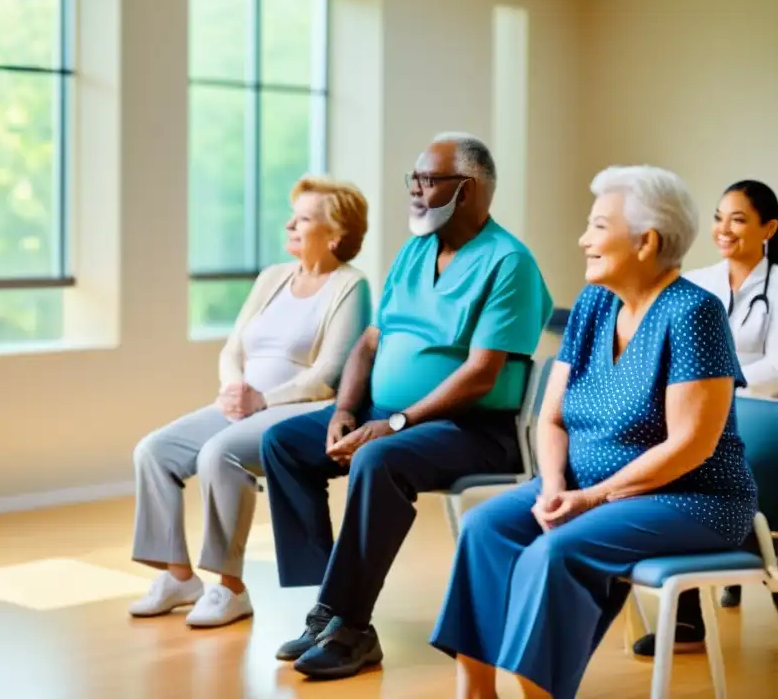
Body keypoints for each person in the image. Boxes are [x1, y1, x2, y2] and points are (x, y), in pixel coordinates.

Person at [429, 165, 759, 699]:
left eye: (598, 226)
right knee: (485, 528)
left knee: (554, 551)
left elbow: (690, 445)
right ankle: (477, 693)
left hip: (690, 498)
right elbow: (552, 416)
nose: (584, 239)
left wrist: (593, 497)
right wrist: (557, 486)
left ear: (646, 241)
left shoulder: (693, 312)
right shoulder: (594, 303)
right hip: (583, 487)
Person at [260, 132, 553, 680]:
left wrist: (393, 423)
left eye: (427, 181)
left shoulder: (508, 263)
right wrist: (348, 409)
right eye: (412, 181)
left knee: (380, 459)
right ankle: (329, 606)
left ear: (465, 191)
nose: (414, 191)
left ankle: (352, 627)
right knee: (283, 444)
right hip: (385, 416)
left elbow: (480, 373)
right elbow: (370, 341)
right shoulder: (415, 251)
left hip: (473, 428)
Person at [128, 176, 371, 628]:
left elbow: (329, 375)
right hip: (243, 404)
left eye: (303, 219)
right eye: (292, 215)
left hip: (296, 409)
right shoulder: (272, 278)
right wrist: (234, 389)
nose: (289, 224)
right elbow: (232, 349)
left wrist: (262, 399)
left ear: (335, 234)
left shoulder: (351, 287)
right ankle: (179, 578)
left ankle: (229, 588)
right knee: (153, 451)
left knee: (220, 454)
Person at [633, 178, 778, 657]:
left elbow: (776, 368)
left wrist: (713, 385)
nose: (723, 229)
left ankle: (749, 560)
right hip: (704, 417)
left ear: (769, 228)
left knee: (700, 465)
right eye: (718, 217)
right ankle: (689, 618)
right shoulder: (694, 283)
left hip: (765, 417)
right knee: (670, 467)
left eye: (737, 219)